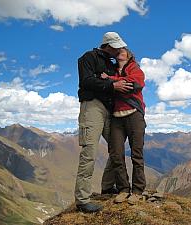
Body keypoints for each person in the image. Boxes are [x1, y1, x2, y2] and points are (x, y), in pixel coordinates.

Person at [75, 32, 133, 213]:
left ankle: (108, 186)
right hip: (92, 106)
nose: (119, 50)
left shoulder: (112, 63)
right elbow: (86, 81)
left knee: (116, 148)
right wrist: (111, 85)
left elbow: (110, 81)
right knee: (89, 151)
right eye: (116, 47)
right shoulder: (88, 57)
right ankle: (82, 200)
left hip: (109, 108)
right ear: (107, 45)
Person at [101, 48, 146, 205]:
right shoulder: (112, 69)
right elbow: (107, 87)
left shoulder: (135, 68)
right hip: (117, 117)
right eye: (118, 51)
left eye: (123, 51)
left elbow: (135, 84)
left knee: (136, 154)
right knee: (116, 154)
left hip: (134, 114)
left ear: (129, 55)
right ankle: (123, 189)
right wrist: (115, 84)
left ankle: (138, 191)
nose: (120, 52)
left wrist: (112, 81)